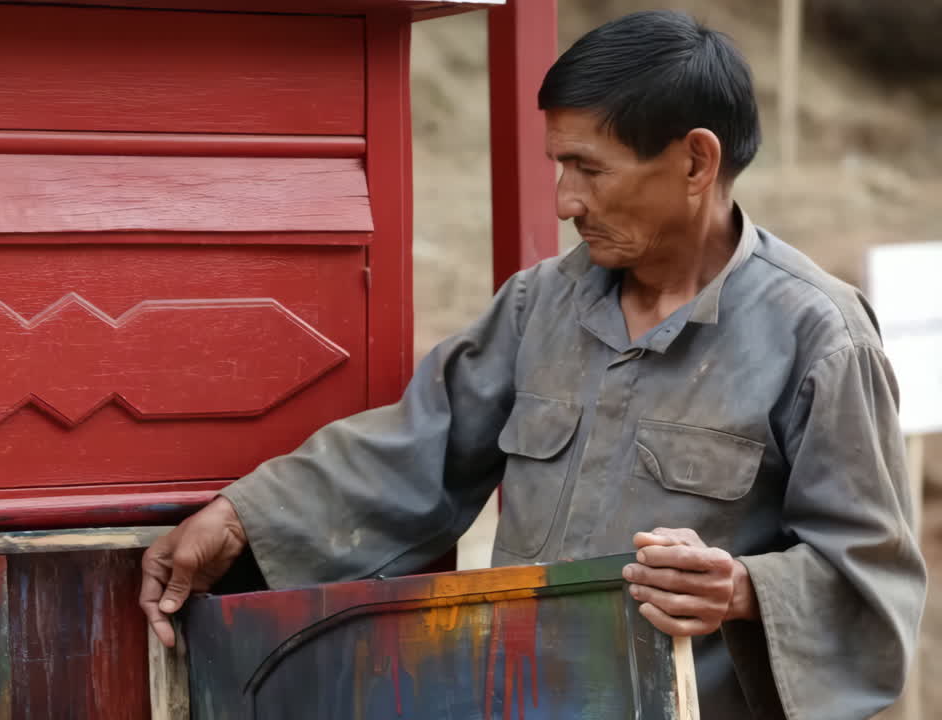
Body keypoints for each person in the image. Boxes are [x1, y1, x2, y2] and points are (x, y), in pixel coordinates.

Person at [139, 10, 925, 719]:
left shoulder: (820, 338)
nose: (563, 201)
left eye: (591, 168)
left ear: (695, 163)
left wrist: (746, 590)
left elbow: (873, 585)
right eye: (558, 166)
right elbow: (417, 453)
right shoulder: (538, 306)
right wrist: (242, 517)